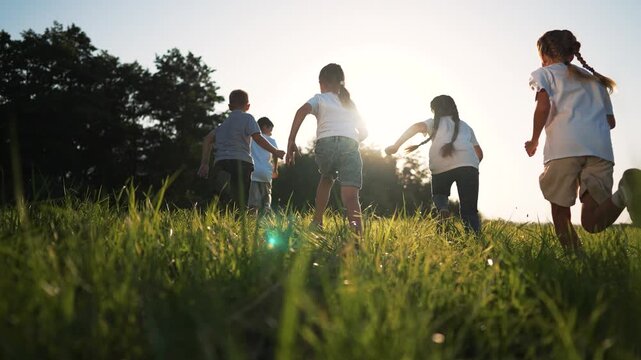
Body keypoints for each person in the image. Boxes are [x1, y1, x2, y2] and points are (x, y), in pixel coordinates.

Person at [525, 29, 641, 250]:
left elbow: (543, 107)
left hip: (563, 149)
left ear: (544, 56)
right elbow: (611, 121)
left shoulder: (544, 73)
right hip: (600, 150)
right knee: (592, 222)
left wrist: (534, 140)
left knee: (560, 214)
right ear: (571, 54)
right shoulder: (595, 80)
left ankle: (577, 262)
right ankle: (626, 192)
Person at [286, 63, 368, 233]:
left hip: (326, 145)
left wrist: (291, 140)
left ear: (321, 83)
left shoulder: (319, 98)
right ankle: (357, 236)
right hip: (349, 144)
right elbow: (364, 132)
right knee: (351, 196)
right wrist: (351, 141)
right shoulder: (349, 103)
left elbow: (301, 111)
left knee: (326, 179)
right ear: (340, 83)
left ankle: (317, 221)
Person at [385, 95, 484, 234]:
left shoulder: (433, 123)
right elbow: (479, 154)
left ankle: (443, 208)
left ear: (435, 110)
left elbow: (416, 127)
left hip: (440, 164)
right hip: (468, 165)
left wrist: (396, 146)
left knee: (439, 193)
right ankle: (475, 242)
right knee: (469, 210)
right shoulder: (466, 126)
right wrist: (471, 168)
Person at [198, 90, 285, 210]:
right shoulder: (248, 118)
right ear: (248, 106)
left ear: (229, 107)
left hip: (221, 163)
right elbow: (258, 138)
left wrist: (204, 164)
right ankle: (238, 223)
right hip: (241, 163)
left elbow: (207, 139)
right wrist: (275, 151)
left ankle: (221, 221)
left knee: (221, 198)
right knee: (240, 200)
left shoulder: (223, 125)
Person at [248, 117, 279, 213]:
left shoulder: (251, 139)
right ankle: (265, 222)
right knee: (266, 200)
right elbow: (275, 154)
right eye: (270, 129)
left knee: (253, 202)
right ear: (265, 127)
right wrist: (275, 170)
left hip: (253, 173)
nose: (271, 132)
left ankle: (251, 222)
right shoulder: (272, 141)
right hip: (266, 173)